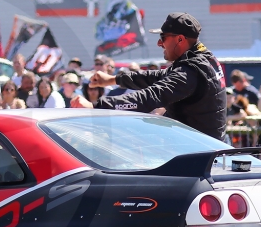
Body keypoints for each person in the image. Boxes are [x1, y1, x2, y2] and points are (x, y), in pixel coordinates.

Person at [71, 12, 226, 140]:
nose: (159, 43)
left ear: (180, 39)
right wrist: (114, 79)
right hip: (206, 147)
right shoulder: (203, 58)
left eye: (163, 37)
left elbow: (149, 97)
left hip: (199, 156)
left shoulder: (191, 70)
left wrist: (95, 107)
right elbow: (158, 76)